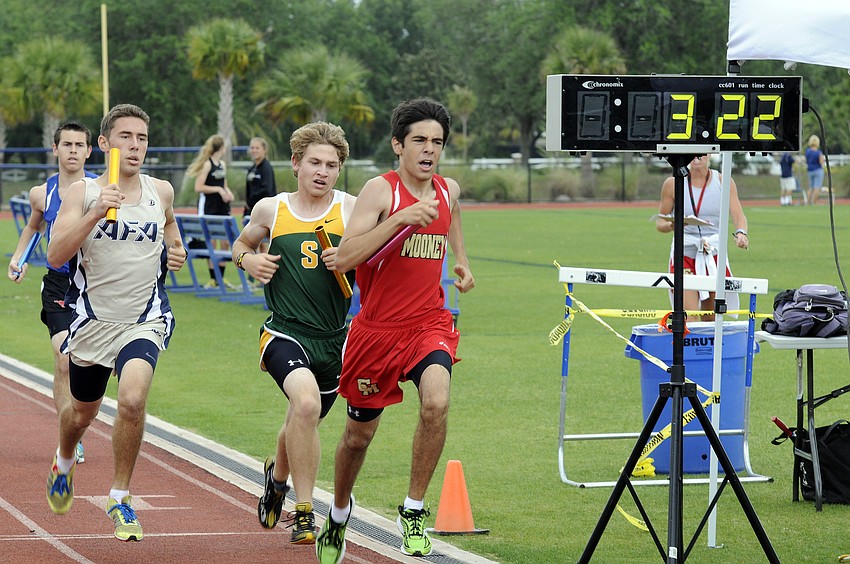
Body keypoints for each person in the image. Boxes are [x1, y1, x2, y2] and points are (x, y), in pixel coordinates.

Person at [315, 98, 475, 563]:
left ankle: (413, 510)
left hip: (428, 324)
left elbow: (454, 218)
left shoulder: (448, 190)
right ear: (398, 145)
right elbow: (344, 259)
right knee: (357, 437)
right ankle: (340, 513)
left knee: (437, 402)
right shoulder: (380, 193)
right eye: (420, 141)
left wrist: (461, 261)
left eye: (437, 142)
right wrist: (402, 219)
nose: (429, 150)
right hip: (375, 334)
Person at [44, 103, 187, 542]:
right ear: (104, 143)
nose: (135, 146)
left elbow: (170, 229)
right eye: (126, 136)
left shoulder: (160, 191)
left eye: (142, 138)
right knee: (80, 414)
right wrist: (94, 212)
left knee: (131, 398)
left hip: (144, 319)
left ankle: (120, 497)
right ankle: (64, 458)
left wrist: (176, 251)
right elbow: (54, 255)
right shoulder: (83, 193)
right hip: (92, 322)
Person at [231, 122, 355, 545]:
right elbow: (241, 246)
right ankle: (305, 513)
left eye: (332, 165)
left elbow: (377, 255)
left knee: (304, 420)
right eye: (315, 163)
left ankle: (276, 481)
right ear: (297, 164)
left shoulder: (352, 209)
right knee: (303, 406)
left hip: (334, 339)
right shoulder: (272, 209)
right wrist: (249, 262)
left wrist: (350, 255)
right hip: (284, 331)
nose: (322, 172)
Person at [7, 121, 96, 464]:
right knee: (63, 359)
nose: (73, 150)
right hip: (59, 283)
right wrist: (18, 259)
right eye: (67, 144)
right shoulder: (41, 193)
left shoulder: (100, 190)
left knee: (85, 362)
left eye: (79, 145)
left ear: (89, 151)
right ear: (55, 149)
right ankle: (69, 436)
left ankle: (77, 420)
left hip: (94, 284)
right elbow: (33, 227)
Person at [655, 154, 748, 321]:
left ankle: (708, 348)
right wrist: (672, 225)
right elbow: (660, 222)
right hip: (684, 253)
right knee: (689, 316)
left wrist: (741, 233)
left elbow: (738, 215)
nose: (697, 157)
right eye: (693, 152)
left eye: (702, 152)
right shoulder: (672, 183)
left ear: (710, 154)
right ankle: (686, 346)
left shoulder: (723, 181)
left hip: (713, 254)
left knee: (711, 317)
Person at [187, 134, 235, 288]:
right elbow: (198, 187)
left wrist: (227, 192)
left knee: (226, 242)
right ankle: (214, 279)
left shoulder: (222, 164)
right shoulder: (207, 165)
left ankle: (221, 278)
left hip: (223, 208)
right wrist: (218, 190)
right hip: (211, 208)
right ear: (221, 148)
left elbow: (224, 183)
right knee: (212, 242)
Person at [805, 134, 825, 206]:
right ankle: (815, 202)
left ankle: (808, 202)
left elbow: (806, 161)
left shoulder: (807, 151)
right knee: (817, 187)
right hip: (817, 170)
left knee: (811, 187)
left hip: (810, 170)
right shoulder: (818, 152)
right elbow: (821, 162)